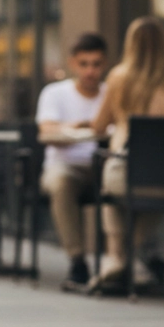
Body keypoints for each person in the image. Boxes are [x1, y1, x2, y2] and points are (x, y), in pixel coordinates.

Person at [91, 16, 164, 290]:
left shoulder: (119, 77)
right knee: (155, 187)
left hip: (128, 174)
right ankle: (134, 254)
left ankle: (116, 256)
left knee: (110, 188)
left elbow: (99, 126)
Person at [35, 32, 108, 288]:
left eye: (96, 64)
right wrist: (77, 127)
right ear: (72, 63)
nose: (90, 71)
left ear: (105, 63)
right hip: (65, 166)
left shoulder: (111, 93)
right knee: (61, 182)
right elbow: (47, 131)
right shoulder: (55, 93)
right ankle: (77, 260)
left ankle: (129, 257)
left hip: (104, 167)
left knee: (137, 179)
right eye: (84, 64)